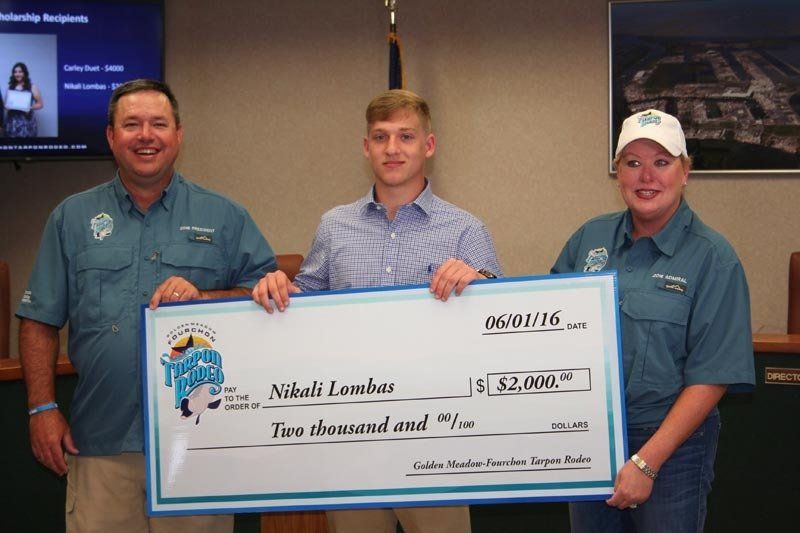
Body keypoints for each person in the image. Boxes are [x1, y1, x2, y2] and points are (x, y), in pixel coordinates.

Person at [16, 79, 276, 532]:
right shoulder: (71, 218)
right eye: (131, 124)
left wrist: (206, 297)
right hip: (100, 444)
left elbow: (266, 301)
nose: (146, 135)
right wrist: (42, 409)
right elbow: (39, 320)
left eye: (158, 123)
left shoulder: (225, 217)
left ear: (178, 134)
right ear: (111, 137)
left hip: (198, 445)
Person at [253, 89, 502, 533]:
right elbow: (304, 304)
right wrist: (278, 288)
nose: (392, 148)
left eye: (406, 136)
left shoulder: (466, 230)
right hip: (352, 441)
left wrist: (479, 288)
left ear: (428, 146)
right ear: (365, 146)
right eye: (380, 137)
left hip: (439, 441)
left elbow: (500, 327)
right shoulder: (334, 225)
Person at [551, 109, 755, 533]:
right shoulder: (588, 238)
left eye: (662, 162)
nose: (647, 176)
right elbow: (546, 328)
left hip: (673, 450)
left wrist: (647, 462)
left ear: (685, 172)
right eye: (633, 163)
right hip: (591, 440)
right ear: (617, 173)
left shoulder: (714, 258)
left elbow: (713, 375)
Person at [4, 62, 43, 137]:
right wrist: (7, 106)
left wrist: (29, 107)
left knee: (26, 145)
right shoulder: (10, 87)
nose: (17, 74)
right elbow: (6, 105)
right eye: (15, 72)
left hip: (27, 122)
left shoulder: (32, 87)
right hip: (12, 121)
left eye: (20, 72)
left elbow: (40, 104)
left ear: (25, 73)